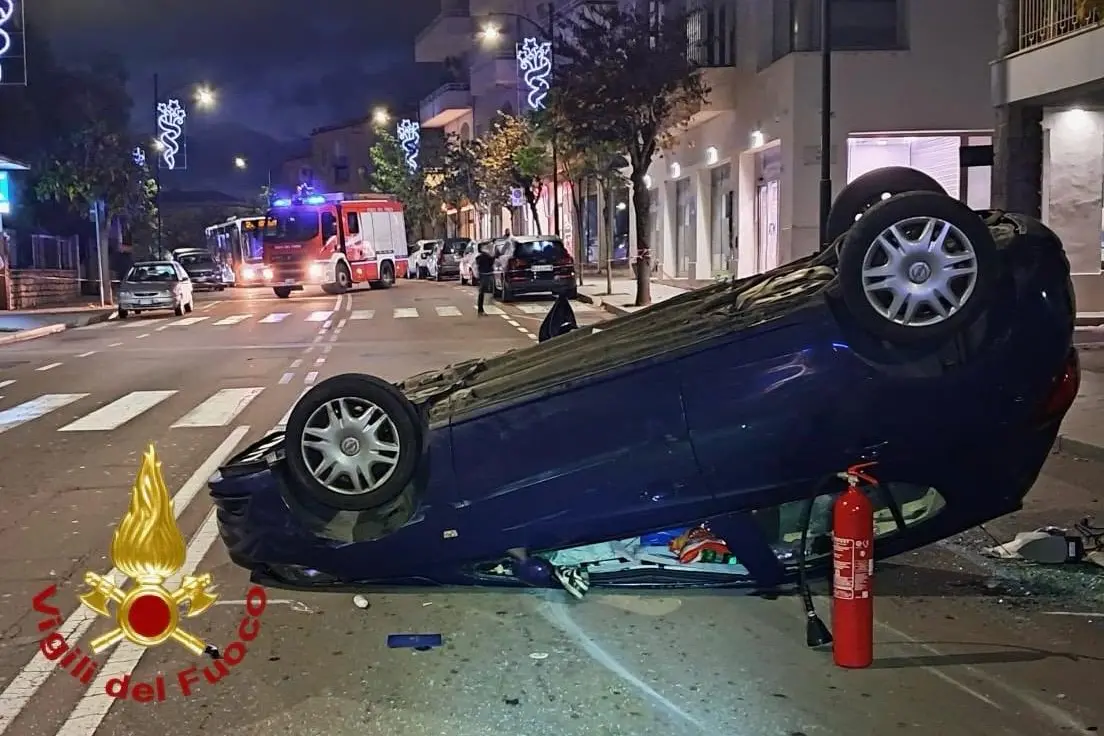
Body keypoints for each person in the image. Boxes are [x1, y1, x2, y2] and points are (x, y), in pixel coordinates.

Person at [475, 243, 496, 315]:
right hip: (485, 275)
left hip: (484, 275)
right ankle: (481, 309)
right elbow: (491, 262)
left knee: (483, 291)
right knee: (483, 291)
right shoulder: (484, 256)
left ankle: (481, 309)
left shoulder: (480, 257)